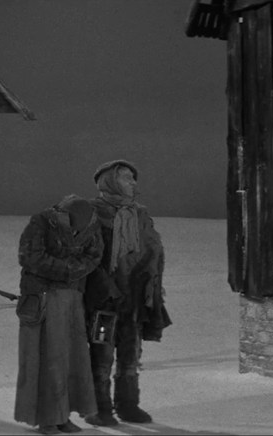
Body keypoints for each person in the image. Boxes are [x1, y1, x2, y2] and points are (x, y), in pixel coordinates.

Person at [83, 160, 171, 426]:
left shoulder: (139, 214)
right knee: (101, 353)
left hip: (134, 300)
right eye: (125, 177)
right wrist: (106, 288)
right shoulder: (92, 213)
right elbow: (87, 256)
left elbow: (152, 250)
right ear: (109, 181)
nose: (133, 182)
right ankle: (99, 408)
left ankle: (128, 405)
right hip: (104, 302)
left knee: (131, 353)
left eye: (133, 178)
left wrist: (150, 283)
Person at [14, 195, 103, 434]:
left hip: (71, 299)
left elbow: (94, 256)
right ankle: (47, 418)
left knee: (70, 359)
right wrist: (68, 270)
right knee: (46, 360)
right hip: (43, 299)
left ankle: (62, 415)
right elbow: (30, 257)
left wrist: (70, 271)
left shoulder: (91, 226)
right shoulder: (42, 222)